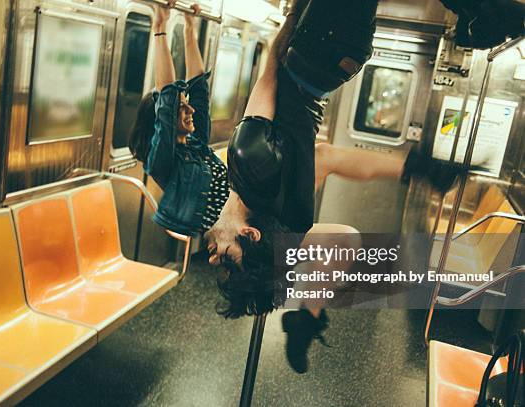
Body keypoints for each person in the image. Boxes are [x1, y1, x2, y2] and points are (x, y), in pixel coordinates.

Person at [205, 0, 521, 373]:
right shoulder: (247, 164)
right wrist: (292, 15)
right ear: (249, 234)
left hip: (342, 58)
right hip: (317, 49)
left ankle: (480, 16)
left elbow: (329, 163)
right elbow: (269, 75)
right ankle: (487, 13)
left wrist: (418, 169)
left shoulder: (290, 219)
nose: (213, 255)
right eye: (227, 257)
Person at [128, 2, 229, 236]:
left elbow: (199, 92)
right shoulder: (164, 161)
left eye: (186, 105)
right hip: (223, 230)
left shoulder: (195, 144)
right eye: (182, 108)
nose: (190, 110)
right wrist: (160, 26)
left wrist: (189, 28)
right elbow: (167, 97)